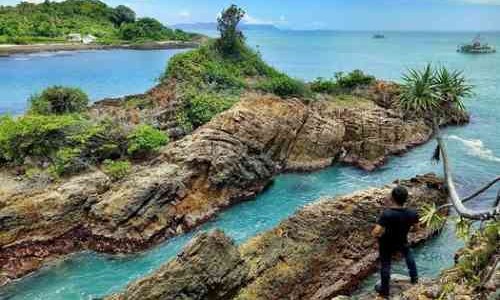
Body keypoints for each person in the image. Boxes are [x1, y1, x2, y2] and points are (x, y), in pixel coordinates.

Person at [371, 185, 419, 299]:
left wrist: (376, 235)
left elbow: (376, 232)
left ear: (392, 198)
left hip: (387, 243)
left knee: (386, 265)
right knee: (409, 256)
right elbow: (417, 228)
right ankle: (414, 279)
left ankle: (385, 293)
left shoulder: (387, 214)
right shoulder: (412, 213)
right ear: (406, 198)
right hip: (402, 240)